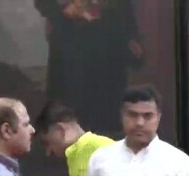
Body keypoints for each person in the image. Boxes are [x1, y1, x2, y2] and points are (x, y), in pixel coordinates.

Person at [34, 0, 144, 134]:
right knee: (71, 114)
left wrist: (132, 39)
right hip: (71, 46)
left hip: (109, 48)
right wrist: (63, 11)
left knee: (108, 117)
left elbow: (124, 10)